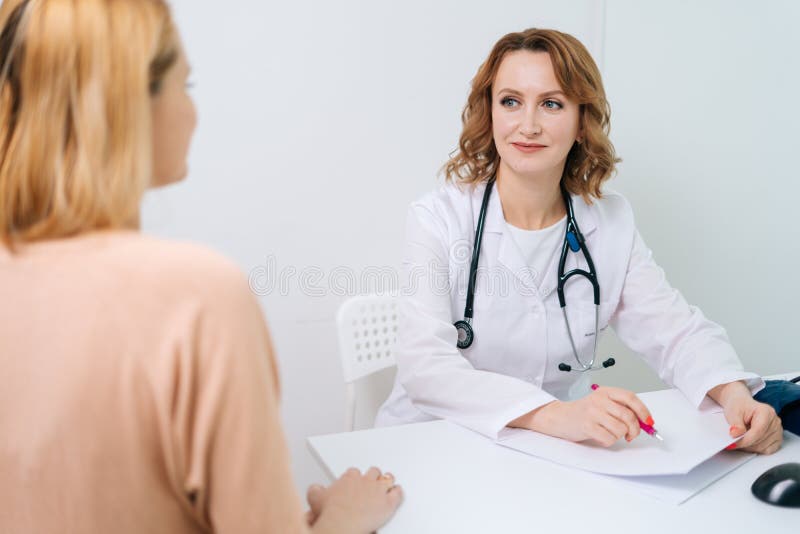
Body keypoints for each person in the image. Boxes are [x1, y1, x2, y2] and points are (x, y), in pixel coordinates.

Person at [0, 1, 400, 532]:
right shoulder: (196, 298)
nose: (194, 113)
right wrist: (346, 517)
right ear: (129, 104)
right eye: (185, 87)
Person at [375, 28, 783, 455]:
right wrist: (558, 415)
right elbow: (426, 370)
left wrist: (736, 396)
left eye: (551, 104)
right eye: (510, 101)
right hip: (428, 444)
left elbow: (674, 330)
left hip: (543, 452)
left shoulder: (608, 223)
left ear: (581, 122)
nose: (527, 125)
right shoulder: (438, 218)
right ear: (490, 112)